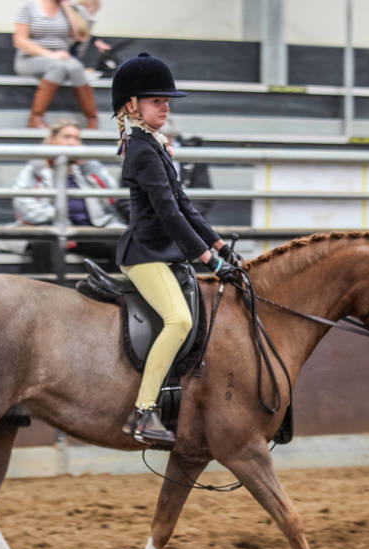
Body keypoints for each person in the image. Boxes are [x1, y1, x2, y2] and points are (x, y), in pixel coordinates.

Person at [111, 53, 240, 445]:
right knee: (179, 321)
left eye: (167, 101)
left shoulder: (155, 144)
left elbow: (185, 204)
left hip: (163, 250)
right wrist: (206, 258)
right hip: (143, 254)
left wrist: (218, 244)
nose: (165, 107)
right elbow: (168, 213)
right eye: (156, 101)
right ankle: (143, 412)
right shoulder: (141, 149)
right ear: (132, 106)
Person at [0, 118, 128, 257]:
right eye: (66, 137)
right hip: (48, 228)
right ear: (52, 140)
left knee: (121, 245)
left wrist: (88, 166)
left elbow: (111, 198)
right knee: (45, 244)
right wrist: (61, 223)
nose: (72, 143)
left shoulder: (87, 168)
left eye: (76, 139)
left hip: (88, 230)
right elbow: (24, 206)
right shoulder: (36, 168)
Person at [13, 0, 99, 129]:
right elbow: (19, 41)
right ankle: (35, 118)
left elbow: (80, 35)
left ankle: (92, 119)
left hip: (61, 58)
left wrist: (67, 8)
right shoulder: (29, 7)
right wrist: (50, 55)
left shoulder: (67, 8)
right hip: (30, 58)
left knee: (76, 67)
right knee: (57, 67)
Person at [162, 116, 214, 217]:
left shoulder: (193, 154)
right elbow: (130, 196)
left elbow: (204, 194)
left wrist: (186, 215)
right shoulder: (140, 153)